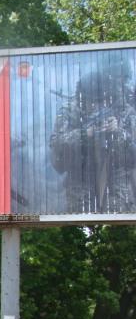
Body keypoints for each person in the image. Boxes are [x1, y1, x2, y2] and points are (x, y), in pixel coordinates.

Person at [50, 68, 136, 214]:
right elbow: (56, 145)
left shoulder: (123, 110)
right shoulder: (69, 111)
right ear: (82, 98)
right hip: (80, 181)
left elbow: (133, 152)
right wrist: (85, 134)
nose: (97, 106)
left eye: (102, 101)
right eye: (92, 102)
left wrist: (117, 131)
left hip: (116, 182)